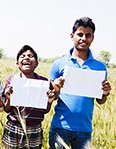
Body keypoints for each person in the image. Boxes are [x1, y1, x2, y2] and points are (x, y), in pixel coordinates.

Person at [48, 17, 112, 149]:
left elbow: (100, 100)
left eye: (88, 35)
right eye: (80, 34)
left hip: (84, 130)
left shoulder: (100, 68)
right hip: (60, 127)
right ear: (72, 36)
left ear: (93, 37)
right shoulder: (59, 64)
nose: (83, 38)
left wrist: (105, 93)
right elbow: (51, 97)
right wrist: (56, 88)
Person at [2, 45, 64, 149]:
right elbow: (7, 109)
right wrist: (8, 98)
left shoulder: (43, 82)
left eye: (30, 56)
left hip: (35, 128)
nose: (26, 58)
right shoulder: (12, 80)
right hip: (14, 126)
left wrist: (49, 102)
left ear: (36, 63)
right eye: (22, 56)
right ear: (17, 63)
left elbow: (45, 111)